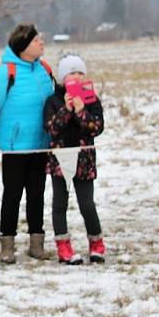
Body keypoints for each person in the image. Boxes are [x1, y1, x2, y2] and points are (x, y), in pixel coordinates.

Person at [0, 24, 55, 264]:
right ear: (23, 47)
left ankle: (36, 243)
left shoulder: (44, 69)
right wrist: (3, 130)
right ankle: (7, 243)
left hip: (41, 144)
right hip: (14, 147)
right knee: (12, 195)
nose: (41, 43)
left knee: (37, 194)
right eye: (36, 41)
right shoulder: (5, 73)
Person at [43, 55, 105, 264]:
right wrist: (66, 110)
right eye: (72, 73)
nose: (76, 77)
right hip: (60, 160)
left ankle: (96, 243)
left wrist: (81, 111)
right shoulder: (53, 101)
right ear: (62, 78)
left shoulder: (91, 99)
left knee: (87, 204)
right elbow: (51, 128)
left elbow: (96, 128)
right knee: (59, 204)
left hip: (84, 160)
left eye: (80, 73)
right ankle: (63, 247)